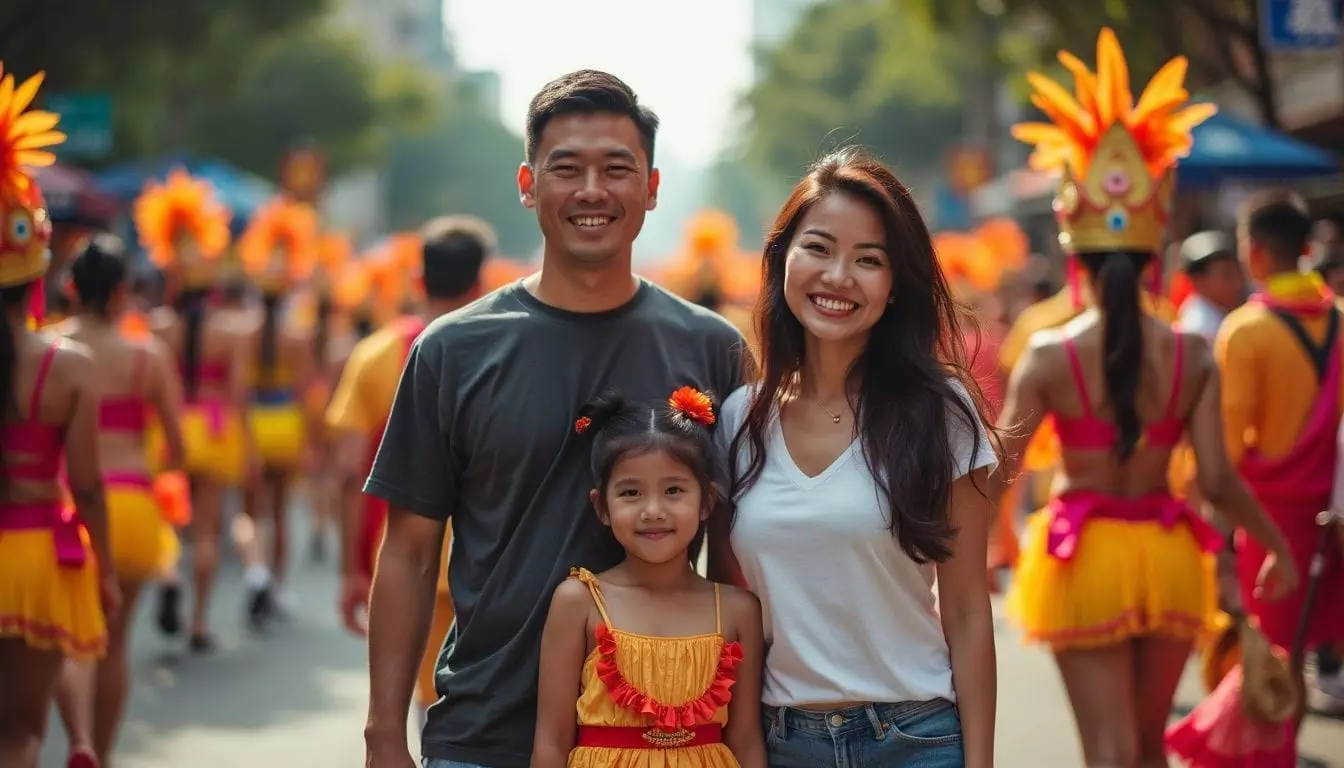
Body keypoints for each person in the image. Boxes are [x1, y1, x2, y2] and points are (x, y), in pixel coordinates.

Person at [361, 70, 745, 768]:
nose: (591, 191)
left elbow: (734, 548)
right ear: (527, 184)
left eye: (616, 169)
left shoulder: (711, 348)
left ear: (652, 189)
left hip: (663, 742)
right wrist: (384, 732)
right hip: (483, 733)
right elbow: (410, 554)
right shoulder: (453, 350)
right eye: (566, 168)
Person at [999, 29, 1297, 767]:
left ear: (1076, 250)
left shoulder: (1047, 354)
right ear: (1156, 249)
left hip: (1081, 557)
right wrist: (1282, 548)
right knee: (1145, 749)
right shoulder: (1193, 352)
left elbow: (994, 471)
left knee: (1105, 750)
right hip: (1167, 552)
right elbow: (1219, 481)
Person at [708, 150, 997, 768]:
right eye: (819, 248)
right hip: (784, 741)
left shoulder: (940, 412)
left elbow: (969, 611)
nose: (839, 276)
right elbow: (732, 610)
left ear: (896, 288)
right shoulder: (738, 420)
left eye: (870, 260)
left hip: (917, 738)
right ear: (782, 259)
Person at [532, 388, 765, 767]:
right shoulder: (579, 601)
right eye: (630, 493)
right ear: (601, 506)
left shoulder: (738, 610)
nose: (653, 510)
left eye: (673, 490)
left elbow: (746, 739)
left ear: (706, 501)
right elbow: (551, 742)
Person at [326, 215, 496, 720]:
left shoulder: (376, 354)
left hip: (404, 559)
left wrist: (352, 569)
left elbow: (349, 474)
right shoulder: (502, 352)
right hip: (490, 563)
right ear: (480, 283)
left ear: (418, 282)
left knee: (427, 706)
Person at [0, 71, 117, 767]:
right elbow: (90, 487)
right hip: (38, 559)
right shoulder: (66, 366)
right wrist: (101, 567)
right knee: (17, 735)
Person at [52, 235, 187, 767]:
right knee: (113, 641)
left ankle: (75, 739)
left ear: (69, 288)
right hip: (131, 507)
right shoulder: (146, 357)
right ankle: (99, 755)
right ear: (122, 293)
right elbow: (178, 448)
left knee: (68, 641)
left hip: (59, 509)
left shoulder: (49, 351)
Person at [1219, 190, 1344, 745]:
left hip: (1273, 524)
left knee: (1276, 664)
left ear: (1256, 253)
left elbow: (1225, 451)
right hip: (1338, 512)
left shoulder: (1246, 331)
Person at [137, 169, 264, 650]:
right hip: (214, 430)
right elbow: (237, 395)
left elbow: (147, 388)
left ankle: (169, 577)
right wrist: (247, 445)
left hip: (168, 429)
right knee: (210, 529)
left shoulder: (157, 327)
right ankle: (199, 622)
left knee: (169, 520)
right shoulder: (230, 332)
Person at [239, 197, 320, 614]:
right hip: (286, 422)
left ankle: (256, 573)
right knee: (283, 513)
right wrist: (309, 440)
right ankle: (278, 586)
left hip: (254, 420)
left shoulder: (243, 332)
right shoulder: (297, 335)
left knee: (251, 512)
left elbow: (236, 390)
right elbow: (307, 391)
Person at [1176, 231, 1246, 344]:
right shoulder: (1199, 328)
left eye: (1238, 272)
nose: (1238, 283)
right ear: (1199, 281)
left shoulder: (1222, 314)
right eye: (1226, 275)